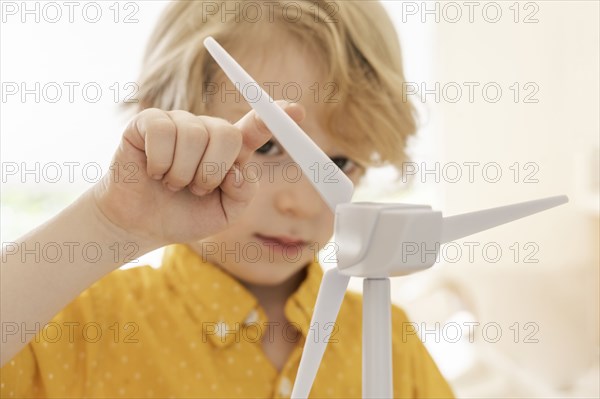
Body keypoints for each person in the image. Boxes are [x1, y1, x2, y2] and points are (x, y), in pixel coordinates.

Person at [0, 1, 454, 397]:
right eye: (269, 146)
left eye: (338, 164)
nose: (304, 203)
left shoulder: (389, 340)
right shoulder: (88, 326)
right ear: (168, 118)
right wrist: (109, 223)